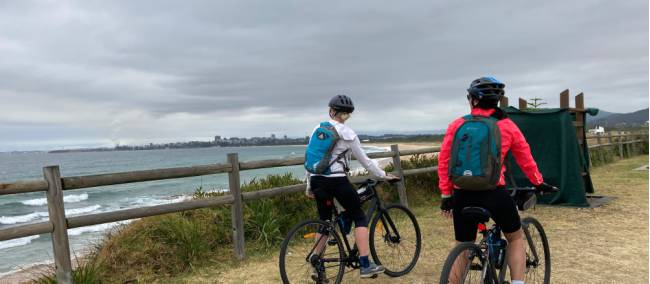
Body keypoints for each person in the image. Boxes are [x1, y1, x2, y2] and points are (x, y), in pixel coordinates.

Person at [437, 77, 557, 284]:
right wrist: (538, 182)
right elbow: (524, 157)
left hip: (462, 194)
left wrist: (446, 194)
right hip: (494, 192)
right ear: (498, 101)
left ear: (473, 100)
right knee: (515, 237)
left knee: (462, 246)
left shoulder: (457, 125)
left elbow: (444, 160)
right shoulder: (507, 125)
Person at [305, 94, 400, 279]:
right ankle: (365, 265)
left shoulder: (318, 128)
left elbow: (310, 159)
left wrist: (309, 186)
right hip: (336, 181)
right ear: (346, 115)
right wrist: (384, 175)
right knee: (359, 216)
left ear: (330, 111)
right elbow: (365, 161)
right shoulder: (348, 133)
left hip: (317, 180)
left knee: (324, 222)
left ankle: (316, 263)